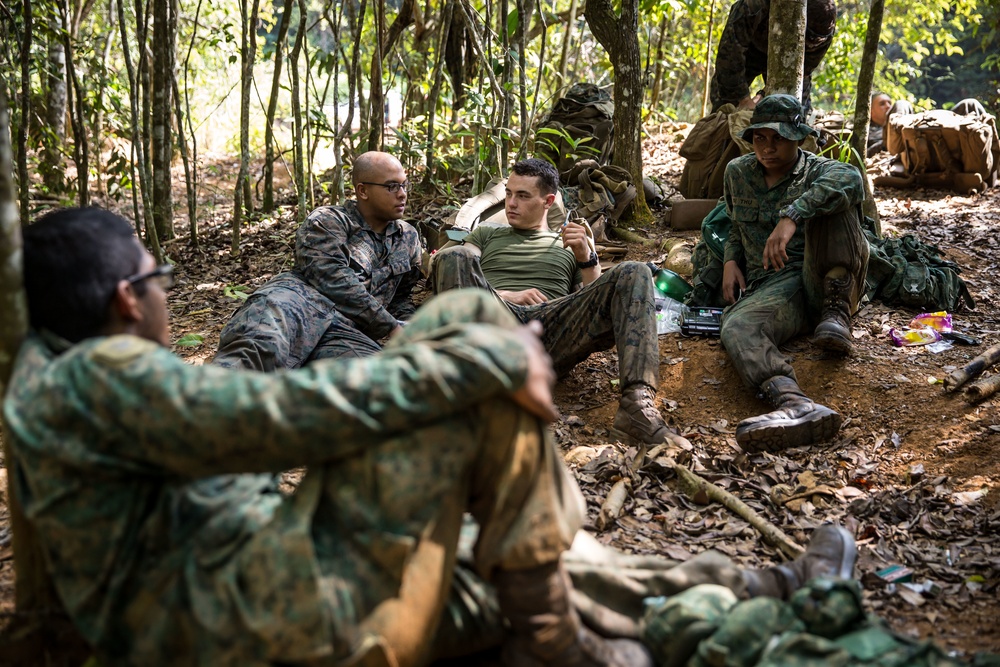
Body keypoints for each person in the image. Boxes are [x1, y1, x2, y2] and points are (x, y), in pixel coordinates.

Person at [5, 207, 860, 666]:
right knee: (466, 349)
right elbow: (264, 420)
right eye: (157, 278)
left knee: (508, 554)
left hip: (268, 577)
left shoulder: (49, 375)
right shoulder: (98, 373)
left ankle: (762, 582)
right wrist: (480, 359)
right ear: (126, 299)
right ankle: (566, 637)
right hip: (273, 611)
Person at [431, 158, 675, 448]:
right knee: (453, 256)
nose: (511, 203)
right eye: (509, 194)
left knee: (635, 271)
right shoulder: (485, 233)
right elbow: (451, 269)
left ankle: (637, 407)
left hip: (550, 331)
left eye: (522, 196)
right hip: (492, 322)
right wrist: (505, 295)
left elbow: (597, 302)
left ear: (548, 201)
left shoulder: (567, 245)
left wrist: (586, 255)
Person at [719, 94, 869, 452]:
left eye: (780, 138)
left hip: (818, 279)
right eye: (760, 138)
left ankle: (836, 313)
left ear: (800, 138)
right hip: (772, 286)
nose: (768, 147)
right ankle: (796, 404)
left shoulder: (818, 170)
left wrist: (793, 215)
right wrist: (729, 260)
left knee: (837, 201)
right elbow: (735, 225)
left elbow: (852, 179)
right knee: (737, 326)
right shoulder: (737, 173)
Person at [213, 151, 423, 371]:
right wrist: (389, 326)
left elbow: (400, 298)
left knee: (380, 378)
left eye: (404, 185)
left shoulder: (407, 238)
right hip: (295, 306)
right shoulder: (328, 221)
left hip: (345, 329)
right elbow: (333, 280)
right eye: (391, 186)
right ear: (363, 191)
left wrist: (415, 329)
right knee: (252, 355)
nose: (402, 194)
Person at [710, 0, 837, 117]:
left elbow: (805, 70)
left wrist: (762, 95)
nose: (810, 43)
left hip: (791, 59)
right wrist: (743, 99)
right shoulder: (754, 5)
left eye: (816, 40)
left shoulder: (827, 24)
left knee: (796, 113)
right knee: (726, 108)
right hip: (751, 48)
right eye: (808, 36)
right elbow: (729, 55)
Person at [867, 92, 914, 157]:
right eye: (882, 104)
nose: (888, 106)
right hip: (888, 150)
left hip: (907, 143)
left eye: (889, 103)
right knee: (901, 104)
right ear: (871, 112)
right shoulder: (867, 132)